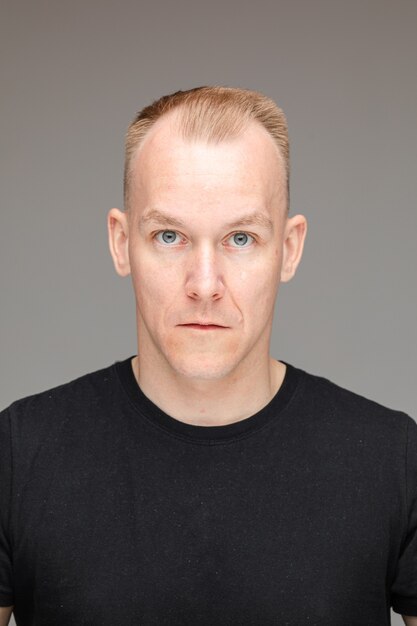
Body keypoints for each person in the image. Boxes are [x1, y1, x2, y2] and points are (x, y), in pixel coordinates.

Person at [0, 86, 416, 626]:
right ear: (121, 242)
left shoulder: (394, 460)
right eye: (169, 235)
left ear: (288, 249)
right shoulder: (18, 455)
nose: (204, 284)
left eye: (240, 239)